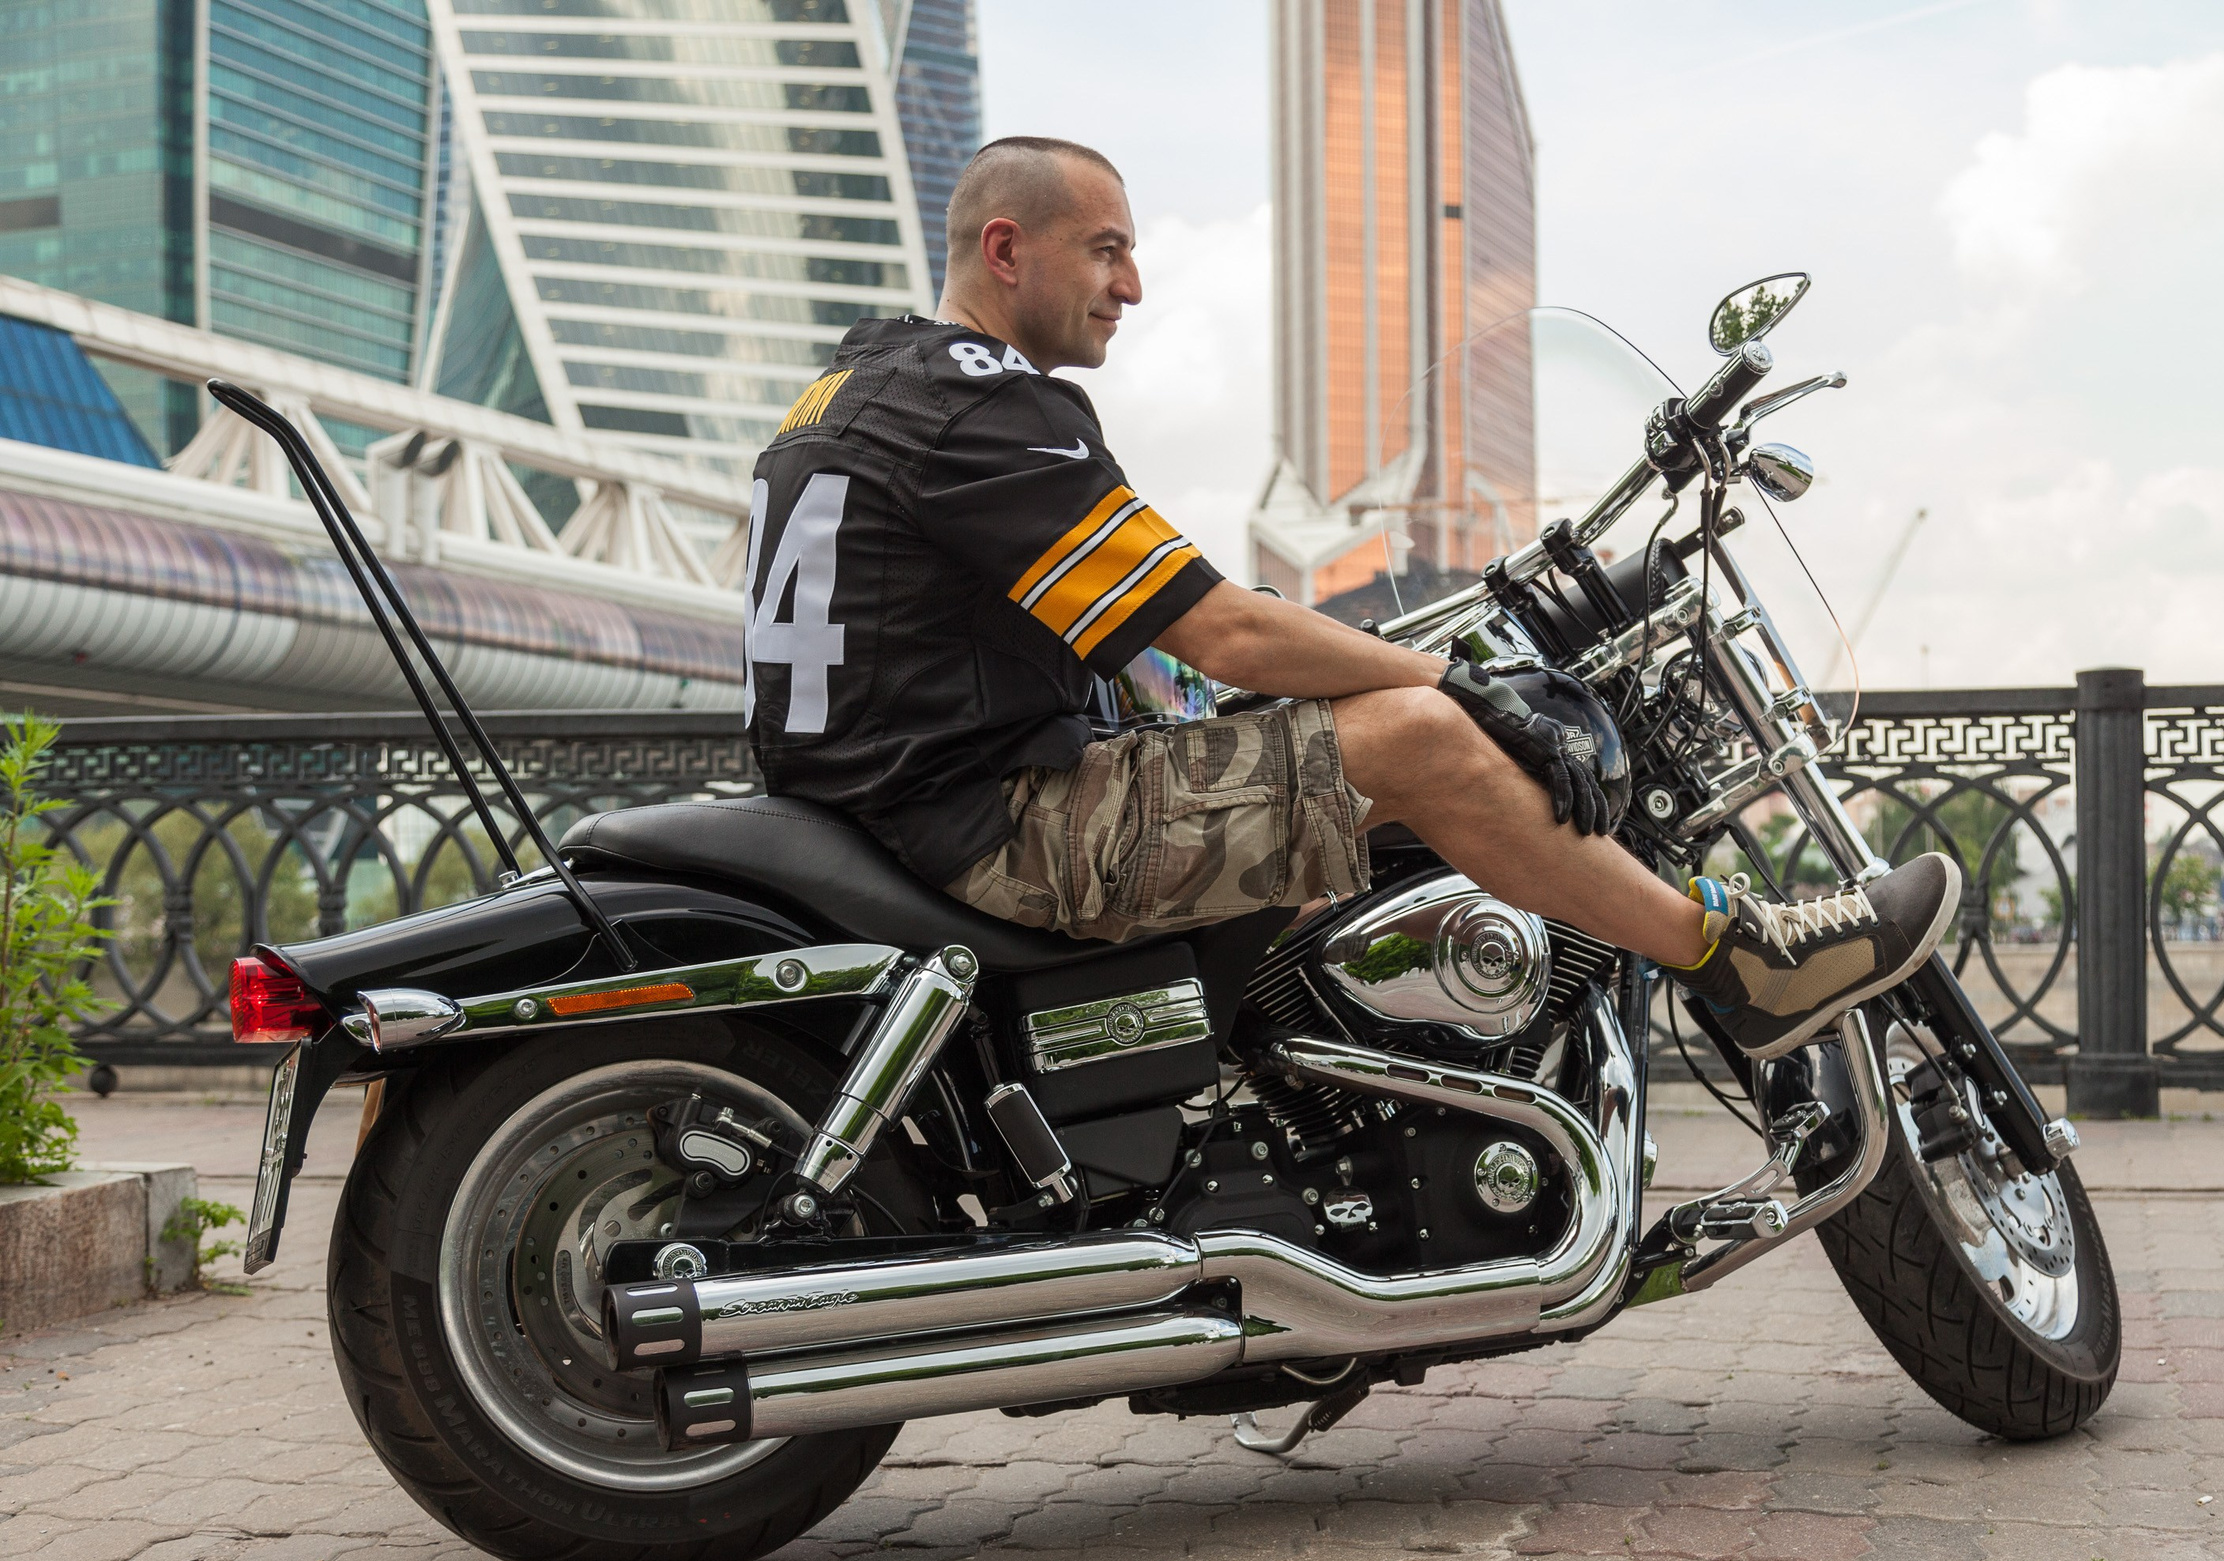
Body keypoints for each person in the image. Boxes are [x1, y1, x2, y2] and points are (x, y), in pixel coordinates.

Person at [744, 136, 1957, 1061]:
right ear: (1007, 251)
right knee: (1423, 741)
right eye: (1105, 249)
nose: (1133, 284)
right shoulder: (985, 403)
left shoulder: (853, 392)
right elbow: (1218, 625)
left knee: (1305, 768)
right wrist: (1462, 682)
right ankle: (1744, 963)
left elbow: (1098, 640)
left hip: (889, 816)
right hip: (1003, 831)